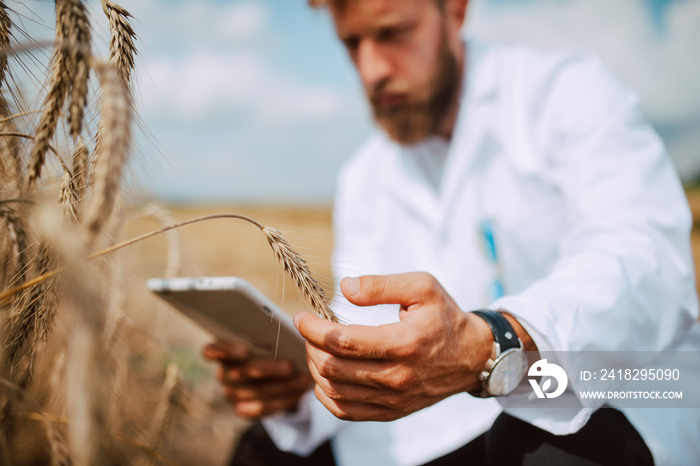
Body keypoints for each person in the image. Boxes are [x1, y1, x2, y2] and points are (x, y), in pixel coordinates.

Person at [204, 0, 700, 464]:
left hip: (605, 399)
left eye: (393, 32)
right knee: (259, 449)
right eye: (353, 43)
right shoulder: (363, 178)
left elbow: (641, 256)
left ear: (456, 9)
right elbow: (366, 331)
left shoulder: (566, 93)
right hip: (418, 434)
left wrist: (495, 341)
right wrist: (302, 388)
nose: (372, 69)